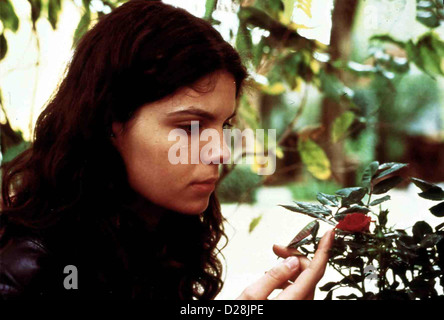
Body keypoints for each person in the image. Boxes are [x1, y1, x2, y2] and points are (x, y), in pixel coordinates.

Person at [0, 0, 334, 300]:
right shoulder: (30, 274)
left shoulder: (157, 240)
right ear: (110, 123)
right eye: (190, 127)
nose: (220, 152)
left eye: (225, 125)